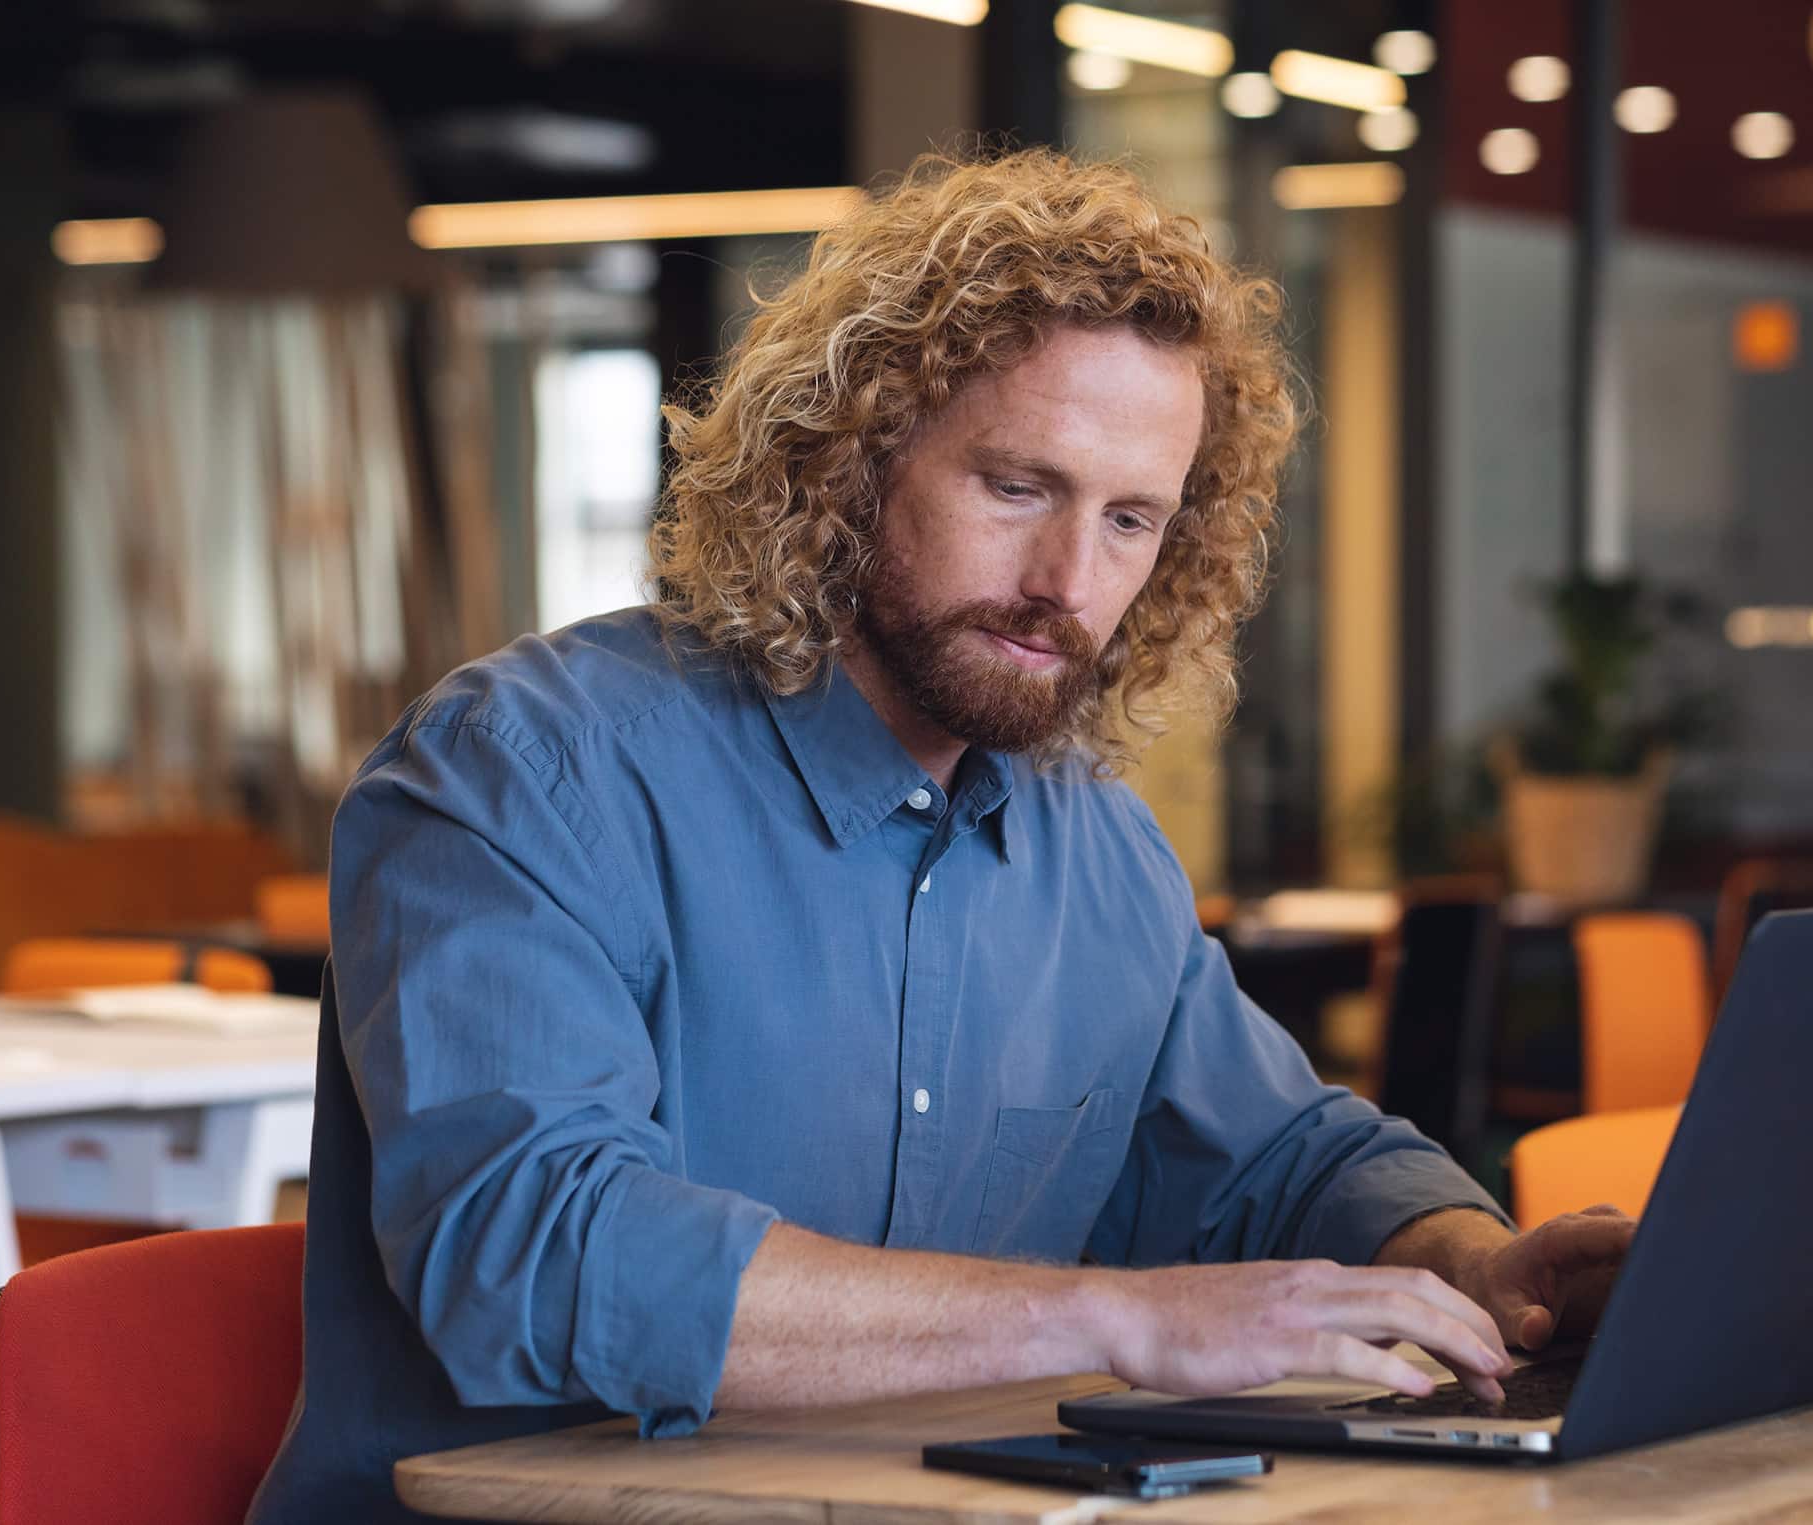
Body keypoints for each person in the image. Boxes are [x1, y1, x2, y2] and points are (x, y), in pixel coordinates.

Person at [248, 149, 1632, 1522]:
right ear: (847, 459)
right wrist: (1123, 1322)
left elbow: (1281, 1162)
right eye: (1019, 487)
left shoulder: (1100, 849)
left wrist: (1471, 1262)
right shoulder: (521, 772)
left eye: (1132, 518)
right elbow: (542, 1255)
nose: (1069, 583)